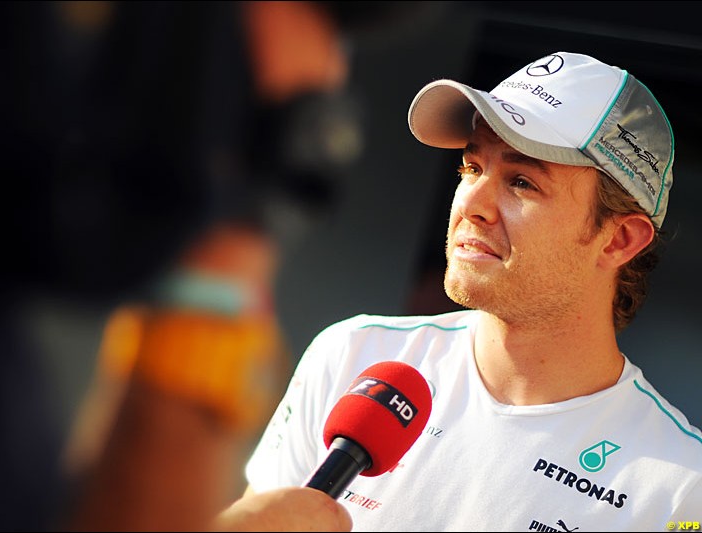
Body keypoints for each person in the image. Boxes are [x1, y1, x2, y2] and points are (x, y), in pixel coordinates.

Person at [220, 51, 702, 531]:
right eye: (470, 169)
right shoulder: (352, 355)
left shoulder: (679, 490)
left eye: (521, 182)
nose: (472, 203)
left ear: (618, 239)